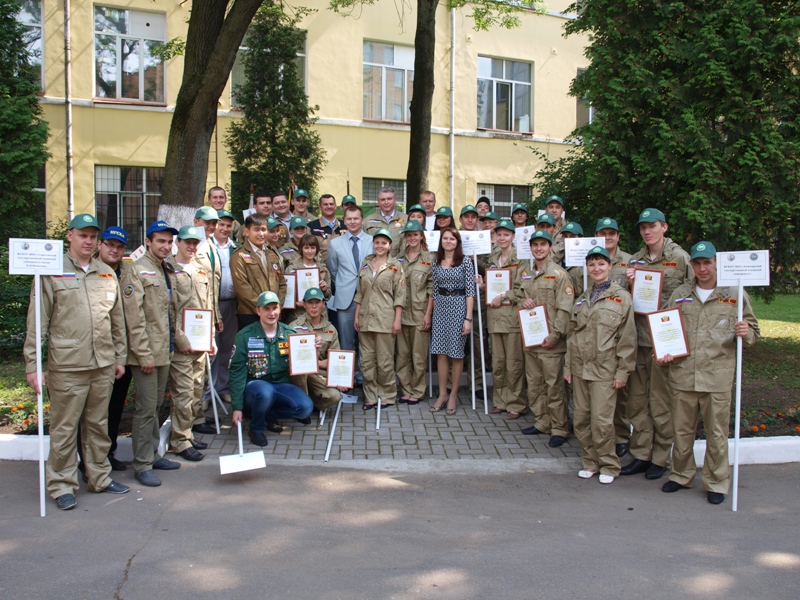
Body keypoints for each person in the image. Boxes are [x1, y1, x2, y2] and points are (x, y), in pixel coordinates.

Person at [24, 214, 130, 510]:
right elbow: (37, 322)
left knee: (98, 424)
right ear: (69, 236)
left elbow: (117, 321)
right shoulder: (51, 271)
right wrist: (33, 365)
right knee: (65, 428)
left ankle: (100, 477)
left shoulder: (106, 272)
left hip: (103, 364)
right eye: (82, 235)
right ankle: (62, 484)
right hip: (67, 365)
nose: (88, 241)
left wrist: (119, 357)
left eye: (92, 236)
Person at [659, 241, 760, 505]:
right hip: (683, 374)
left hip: (716, 376)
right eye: (697, 263)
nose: (702, 268)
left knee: (716, 434)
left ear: (716, 263)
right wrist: (666, 350)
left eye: (707, 262)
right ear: (691, 264)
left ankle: (717, 482)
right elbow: (667, 325)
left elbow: (753, 329)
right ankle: (681, 475)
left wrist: (746, 333)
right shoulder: (681, 293)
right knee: (681, 431)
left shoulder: (735, 293)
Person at [621, 208, 692, 480]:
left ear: (664, 227)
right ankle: (640, 453)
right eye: (643, 228)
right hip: (638, 338)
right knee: (637, 401)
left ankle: (661, 457)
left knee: (661, 401)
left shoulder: (680, 258)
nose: (647, 231)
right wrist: (630, 286)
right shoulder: (636, 260)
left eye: (652, 226)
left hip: (664, 341)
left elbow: (690, 298)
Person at [565, 246, 636, 484]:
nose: (596, 268)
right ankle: (590, 461)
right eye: (592, 264)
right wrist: (567, 367)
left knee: (602, 421)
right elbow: (572, 336)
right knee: (582, 419)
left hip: (605, 371)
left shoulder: (621, 297)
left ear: (610, 266)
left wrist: (623, 372)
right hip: (580, 368)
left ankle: (609, 464)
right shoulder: (583, 298)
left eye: (601, 264)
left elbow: (627, 338)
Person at [120, 220, 182, 488]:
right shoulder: (137, 271)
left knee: (157, 406)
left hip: (164, 350)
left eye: (169, 242)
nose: (166, 246)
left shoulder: (166, 269)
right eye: (160, 241)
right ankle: (142, 464)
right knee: (145, 409)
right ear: (148, 241)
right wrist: (143, 354)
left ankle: (153, 455)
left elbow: (170, 312)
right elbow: (134, 319)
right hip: (147, 354)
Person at [229, 292, 315, 447]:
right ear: (258, 311)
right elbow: (236, 372)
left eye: (274, 308)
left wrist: (312, 348)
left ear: (280, 309)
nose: (271, 313)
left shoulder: (290, 334)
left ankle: (263, 413)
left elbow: (303, 361)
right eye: (266, 309)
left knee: (305, 408)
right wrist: (237, 407)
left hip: (280, 385)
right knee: (265, 391)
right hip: (254, 386)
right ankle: (256, 428)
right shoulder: (245, 336)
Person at [79, 226, 131, 474]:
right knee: (88, 410)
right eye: (110, 244)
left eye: (120, 247)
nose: (115, 250)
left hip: (121, 352)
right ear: (100, 245)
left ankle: (107, 454)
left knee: (114, 407)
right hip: (91, 352)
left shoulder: (129, 273)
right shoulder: (89, 272)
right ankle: (84, 458)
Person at [515, 230, 574, 447]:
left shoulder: (559, 274)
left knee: (554, 386)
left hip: (551, 342)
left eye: (543, 244)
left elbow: (565, 309)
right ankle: (542, 422)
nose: (539, 248)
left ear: (550, 247)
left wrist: (555, 335)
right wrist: (524, 302)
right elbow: (520, 298)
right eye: (535, 245)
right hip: (532, 340)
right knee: (535, 384)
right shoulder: (527, 274)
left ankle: (559, 427)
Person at [166, 226, 215, 462]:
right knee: (183, 393)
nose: (192, 247)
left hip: (200, 341)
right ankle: (179, 441)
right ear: (178, 243)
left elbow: (209, 305)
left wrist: (211, 337)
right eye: (188, 242)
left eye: (196, 243)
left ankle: (188, 432)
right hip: (180, 343)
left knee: (197, 389)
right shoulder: (168, 269)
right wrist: (179, 338)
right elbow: (168, 310)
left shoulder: (201, 269)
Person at [477, 219, 525, 419]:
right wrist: (483, 286)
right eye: (500, 235)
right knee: (497, 363)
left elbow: (523, 288)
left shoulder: (521, 259)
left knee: (513, 364)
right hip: (495, 318)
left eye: (507, 234)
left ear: (513, 236)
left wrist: (504, 296)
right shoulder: (492, 259)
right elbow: (493, 287)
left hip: (512, 318)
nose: (503, 238)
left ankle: (516, 403)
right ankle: (500, 400)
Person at [354, 228, 406, 409]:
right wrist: (356, 315)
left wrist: (397, 319)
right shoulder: (366, 263)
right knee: (367, 360)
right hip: (366, 318)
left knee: (384, 360)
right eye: (377, 242)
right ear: (373, 244)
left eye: (384, 243)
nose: (380, 246)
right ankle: (370, 395)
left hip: (385, 319)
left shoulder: (395, 266)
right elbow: (360, 292)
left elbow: (400, 295)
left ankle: (387, 395)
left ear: (390, 245)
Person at [595, 216, 633, 457]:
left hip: (622, 327)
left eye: (612, 233)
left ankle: (620, 436)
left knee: (621, 393)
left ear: (618, 236)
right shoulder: (588, 261)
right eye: (603, 233)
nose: (607, 237)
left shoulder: (631, 261)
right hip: (596, 333)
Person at [429, 228, 475, 415]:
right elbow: (434, 290)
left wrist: (468, 318)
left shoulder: (465, 262)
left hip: (458, 308)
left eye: (452, 239)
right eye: (445, 238)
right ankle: (442, 394)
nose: (448, 241)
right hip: (440, 309)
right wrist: (430, 314)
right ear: (441, 241)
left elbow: (470, 291)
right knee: (440, 353)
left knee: (456, 354)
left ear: (457, 242)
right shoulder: (436, 262)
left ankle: (454, 395)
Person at [326, 204, 374, 378]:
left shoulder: (372, 241)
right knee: (346, 341)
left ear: (362, 220)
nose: (352, 222)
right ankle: (346, 377)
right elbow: (333, 270)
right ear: (344, 221)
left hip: (368, 298)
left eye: (356, 218)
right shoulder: (335, 243)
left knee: (366, 340)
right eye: (349, 219)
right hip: (346, 298)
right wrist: (342, 284)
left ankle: (363, 376)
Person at [289, 288, 349, 411]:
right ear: (304, 304)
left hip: (318, 375)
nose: (314, 306)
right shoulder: (293, 327)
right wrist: (320, 363)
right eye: (310, 303)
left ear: (323, 304)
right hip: (297, 375)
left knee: (335, 396)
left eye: (317, 302)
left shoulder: (331, 329)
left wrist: (340, 379)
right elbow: (288, 358)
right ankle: (302, 403)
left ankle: (310, 403)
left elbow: (336, 360)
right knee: (301, 370)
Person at [203, 209, 238, 411]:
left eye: (228, 225)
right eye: (221, 225)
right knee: (211, 348)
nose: (224, 229)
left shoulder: (235, 248)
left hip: (231, 304)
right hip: (211, 304)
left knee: (227, 348)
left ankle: (222, 387)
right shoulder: (206, 248)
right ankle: (208, 392)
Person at [396, 221, 434, 405]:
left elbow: (432, 289)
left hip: (420, 315)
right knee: (402, 356)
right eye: (409, 235)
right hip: (401, 316)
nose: (412, 238)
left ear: (421, 236)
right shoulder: (397, 259)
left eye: (415, 235)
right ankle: (406, 389)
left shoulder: (429, 259)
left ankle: (418, 391)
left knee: (418, 356)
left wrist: (428, 315)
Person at [230, 214, 287, 330]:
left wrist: (276, 307)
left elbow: (282, 284)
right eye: (256, 230)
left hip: (273, 316)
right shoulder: (239, 256)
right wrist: (263, 308)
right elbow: (242, 288)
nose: (261, 234)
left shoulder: (272, 254)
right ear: (247, 231)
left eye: (263, 230)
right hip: (250, 315)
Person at [285, 233, 332, 319]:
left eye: (312, 248)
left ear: (317, 249)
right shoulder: (292, 269)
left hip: (320, 316)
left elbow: (328, 295)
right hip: (299, 315)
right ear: (301, 249)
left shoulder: (323, 269)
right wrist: (295, 303)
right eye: (306, 248)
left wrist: (325, 290)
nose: (310, 251)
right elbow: (287, 295)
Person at [364, 187, 407, 256]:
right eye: (382, 199)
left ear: (395, 200)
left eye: (389, 199)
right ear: (378, 202)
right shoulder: (368, 220)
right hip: (375, 263)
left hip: (399, 263)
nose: (386, 202)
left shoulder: (406, 219)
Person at [308, 193, 345, 265]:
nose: (329, 206)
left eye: (331, 204)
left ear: (335, 206)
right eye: (325, 204)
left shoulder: (345, 225)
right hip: (321, 270)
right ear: (320, 207)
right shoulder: (311, 227)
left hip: (342, 270)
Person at [560, 221, 585, 297]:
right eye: (565, 236)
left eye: (572, 236)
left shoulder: (586, 262)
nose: (568, 239)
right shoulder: (556, 259)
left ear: (581, 239)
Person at [543, 195, 567, 265]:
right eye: (551, 207)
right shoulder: (539, 228)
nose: (554, 210)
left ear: (562, 210)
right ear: (546, 209)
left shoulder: (568, 230)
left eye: (557, 207)